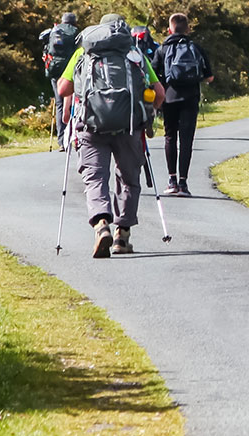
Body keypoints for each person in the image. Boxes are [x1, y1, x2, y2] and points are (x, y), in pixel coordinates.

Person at [57, 13, 167, 258]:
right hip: (129, 128)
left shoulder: (84, 53)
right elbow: (159, 92)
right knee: (128, 180)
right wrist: (147, 116)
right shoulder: (134, 54)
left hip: (91, 126)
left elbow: (63, 88)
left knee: (95, 177)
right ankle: (122, 235)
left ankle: (101, 224)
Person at [151, 13, 214, 196]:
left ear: (170, 29)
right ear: (187, 29)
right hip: (191, 97)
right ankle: (184, 184)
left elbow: (153, 75)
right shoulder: (196, 48)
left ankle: (171, 181)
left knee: (170, 137)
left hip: (169, 98)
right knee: (186, 140)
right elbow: (209, 76)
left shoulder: (162, 49)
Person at [39, 12, 79, 149]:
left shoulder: (54, 31)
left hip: (55, 70)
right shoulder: (75, 32)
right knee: (74, 103)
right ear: (74, 22)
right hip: (70, 71)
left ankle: (62, 141)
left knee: (60, 104)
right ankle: (74, 137)